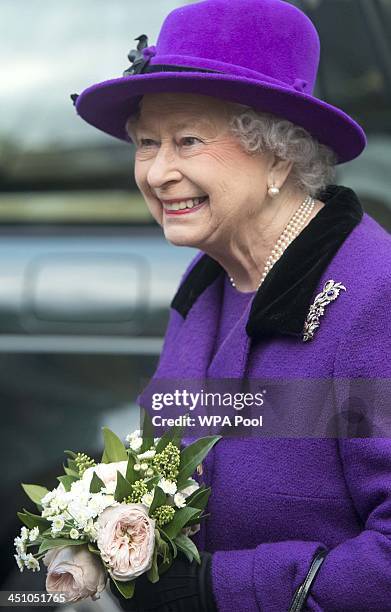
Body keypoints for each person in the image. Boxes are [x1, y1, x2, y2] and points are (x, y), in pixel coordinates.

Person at [73, 0, 391, 610]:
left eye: (188, 140)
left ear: (277, 152)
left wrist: (219, 589)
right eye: (146, 143)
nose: (158, 172)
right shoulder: (208, 282)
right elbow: (165, 464)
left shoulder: (374, 300)